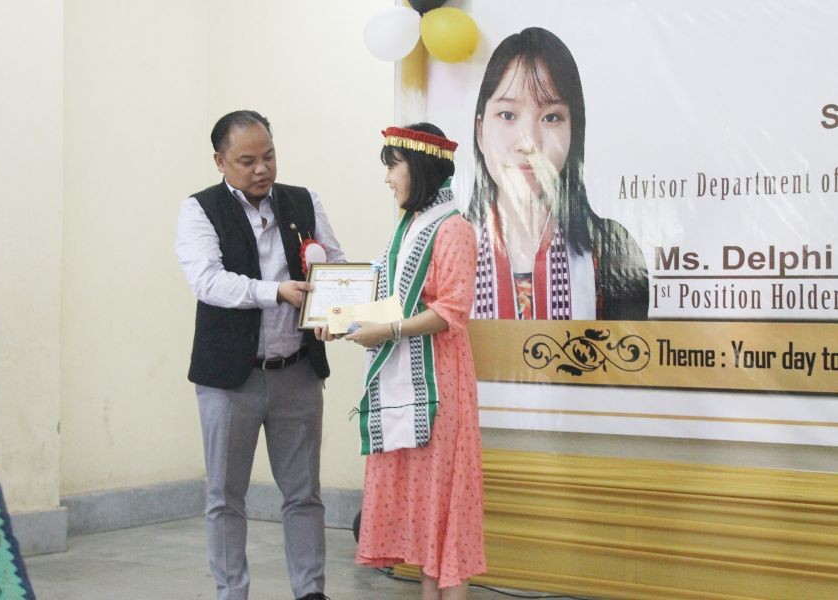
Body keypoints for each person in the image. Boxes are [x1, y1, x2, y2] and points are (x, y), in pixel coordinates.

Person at [175, 110, 344, 600]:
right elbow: (207, 281)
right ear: (220, 161)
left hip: (297, 372)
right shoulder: (199, 210)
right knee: (226, 497)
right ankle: (233, 592)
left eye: (268, 155)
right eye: (246, 160)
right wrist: (277, 292)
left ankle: (310, 591)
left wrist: (336, 310)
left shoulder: (303, 201)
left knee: (304, 494)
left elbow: (333, 260)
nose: (262, 169)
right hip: (230, 380)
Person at [318, 123, 485, 599]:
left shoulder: (454, 229)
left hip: (440, 386)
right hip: (408, 383)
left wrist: (384, 331)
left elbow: (450, 312)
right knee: (428, 504)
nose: (388, 178)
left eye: (393, 165)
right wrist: (343, 319)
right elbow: (393, 301)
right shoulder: (408, 228)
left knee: (444, 500)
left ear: (421, 166)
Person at [469, 27, 649, 320]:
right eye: (508, 115)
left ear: (573, 134)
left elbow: (625, 361)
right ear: (480, 131)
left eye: (551, 117)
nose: (529, 142)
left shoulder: (612, 248)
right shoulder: (449, 249)